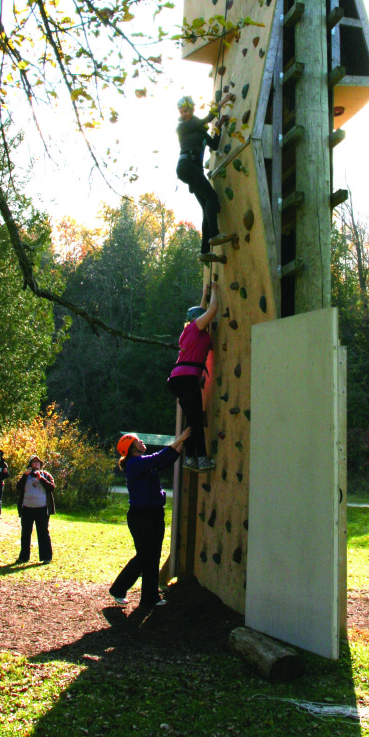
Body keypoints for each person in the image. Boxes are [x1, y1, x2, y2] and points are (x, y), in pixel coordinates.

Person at [109, 428, 190, 608]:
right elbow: (158, 458)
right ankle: (118, 589)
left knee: (153, 556)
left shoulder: (143, 464)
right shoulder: (134, 464)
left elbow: (165, 460)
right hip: (141, 516)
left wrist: (182, 444)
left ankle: (150, 597)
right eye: (138, 441)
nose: (142, 442)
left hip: (154, 513)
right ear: (131, 448)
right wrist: (179, 439)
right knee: (145, 556)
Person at [167, 280, 220, 471]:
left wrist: (204, 292)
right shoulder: (195, 329)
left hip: (178, 379)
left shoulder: (191, 331)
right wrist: (215, 290)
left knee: (192, 418)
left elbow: (202, 309)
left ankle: (190, 458)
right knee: (196, 419)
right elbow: (211, 310)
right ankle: (202, 459)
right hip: (187, 379)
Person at [175, 93, 234, 263]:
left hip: (193, 171)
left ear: (192, 110)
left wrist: (220, 126)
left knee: (209, 206)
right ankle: (214, 235)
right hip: (187, 166)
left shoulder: (199, 131)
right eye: (182, 112)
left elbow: (214, 145)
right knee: (212, 197)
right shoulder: (183, 127)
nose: (184, 114)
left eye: (186, 111)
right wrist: (222, 102)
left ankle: (205, 252)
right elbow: (206, 119)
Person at [15, 455, 55, 564]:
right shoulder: (26, 476)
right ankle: (23, 557)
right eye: (34, 462)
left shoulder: (45, 475)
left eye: (38, 462)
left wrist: (40, 479)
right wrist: (24, 476)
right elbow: (18, 488)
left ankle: (46, 557)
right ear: (30, 464)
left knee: (43, 533)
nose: (36, 464)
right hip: (27, 508)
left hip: (42, 508)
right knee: (25, 533)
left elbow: (52, 487)